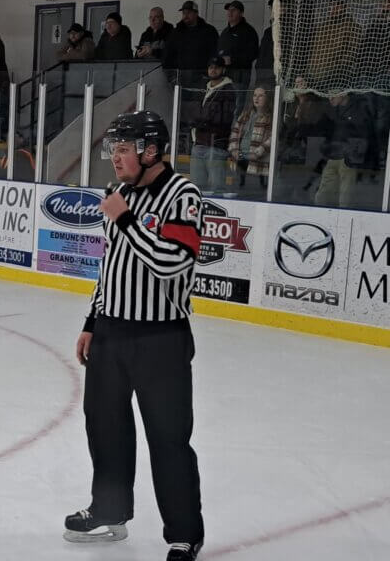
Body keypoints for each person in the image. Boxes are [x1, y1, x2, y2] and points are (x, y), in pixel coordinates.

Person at [66, 110, 204, 561]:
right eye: (113, 149)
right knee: (104, 428)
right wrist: (92, 320)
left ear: (150, 151)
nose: (115, 158)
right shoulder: (118, 194)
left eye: (122, 149)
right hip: (111, 334)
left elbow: (173, 262)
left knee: (168, 438)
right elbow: (111, 267)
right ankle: (110, 511)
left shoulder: (181, 194)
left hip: (161, 340)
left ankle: (184, 534)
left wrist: (126, 220)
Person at [189, 56, 235, 194]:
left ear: (223, 69)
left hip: (216, 144)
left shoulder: (228, 90)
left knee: (217, 188)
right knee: (196, 188)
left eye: (216, 67)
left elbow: (224, 118)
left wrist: (201, 121)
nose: (213, 70)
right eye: (210, 67)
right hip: (199, 142)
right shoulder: (204, 89)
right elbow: (193, 112)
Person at [228, 83, 273, 194]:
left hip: (258, 158)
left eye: (261, 95)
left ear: (268, 98)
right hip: (242, 154)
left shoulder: (270, 117)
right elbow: (235, 132)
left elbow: (273, 138)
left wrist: (259, 151)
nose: (256, 98)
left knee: (258, 192)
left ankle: (261, 182)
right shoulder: (245, 114)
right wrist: (234, 150)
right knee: (239, 188)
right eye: (254, 95)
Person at [164, 1, 219, 87]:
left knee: (199, 100)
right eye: (184, 13)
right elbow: (168, 54)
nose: (185, 15)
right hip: (180, 78)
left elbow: (214, 53)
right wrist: (171, 75)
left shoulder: (209, 31)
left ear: (196, 13)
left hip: (201, 78)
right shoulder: (176, 32)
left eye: (189, 13)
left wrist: (209, 74)